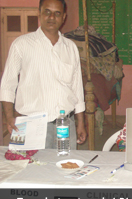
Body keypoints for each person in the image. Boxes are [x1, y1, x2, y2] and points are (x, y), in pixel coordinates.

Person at [0, 0, 86, 149]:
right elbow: (8, 84)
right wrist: (9, 117)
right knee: (30, 169)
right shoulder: (21, 44)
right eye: (47, 11)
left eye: (57, 13)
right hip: (31, 125)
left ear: (64, 17)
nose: (51, 17)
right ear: (39, 13)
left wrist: (81, 123)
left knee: (65, 168)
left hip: (65, 125)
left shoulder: (70, 48)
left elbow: (77, 87)